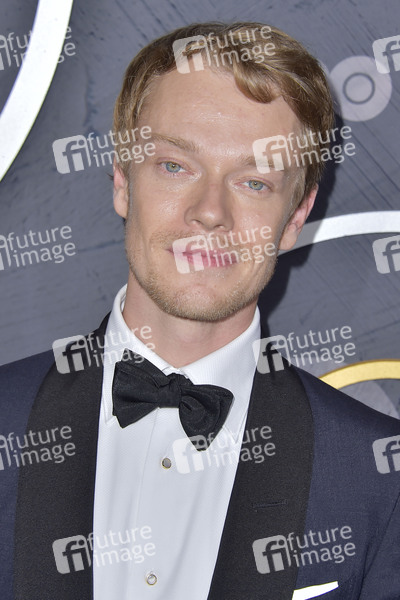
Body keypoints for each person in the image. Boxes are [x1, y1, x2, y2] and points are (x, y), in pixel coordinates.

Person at [1, 21, 400, 600]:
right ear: (122, 181)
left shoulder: (377, 479)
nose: (210, 212)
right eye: (175, 166)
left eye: (254, 182)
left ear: (295, 217)